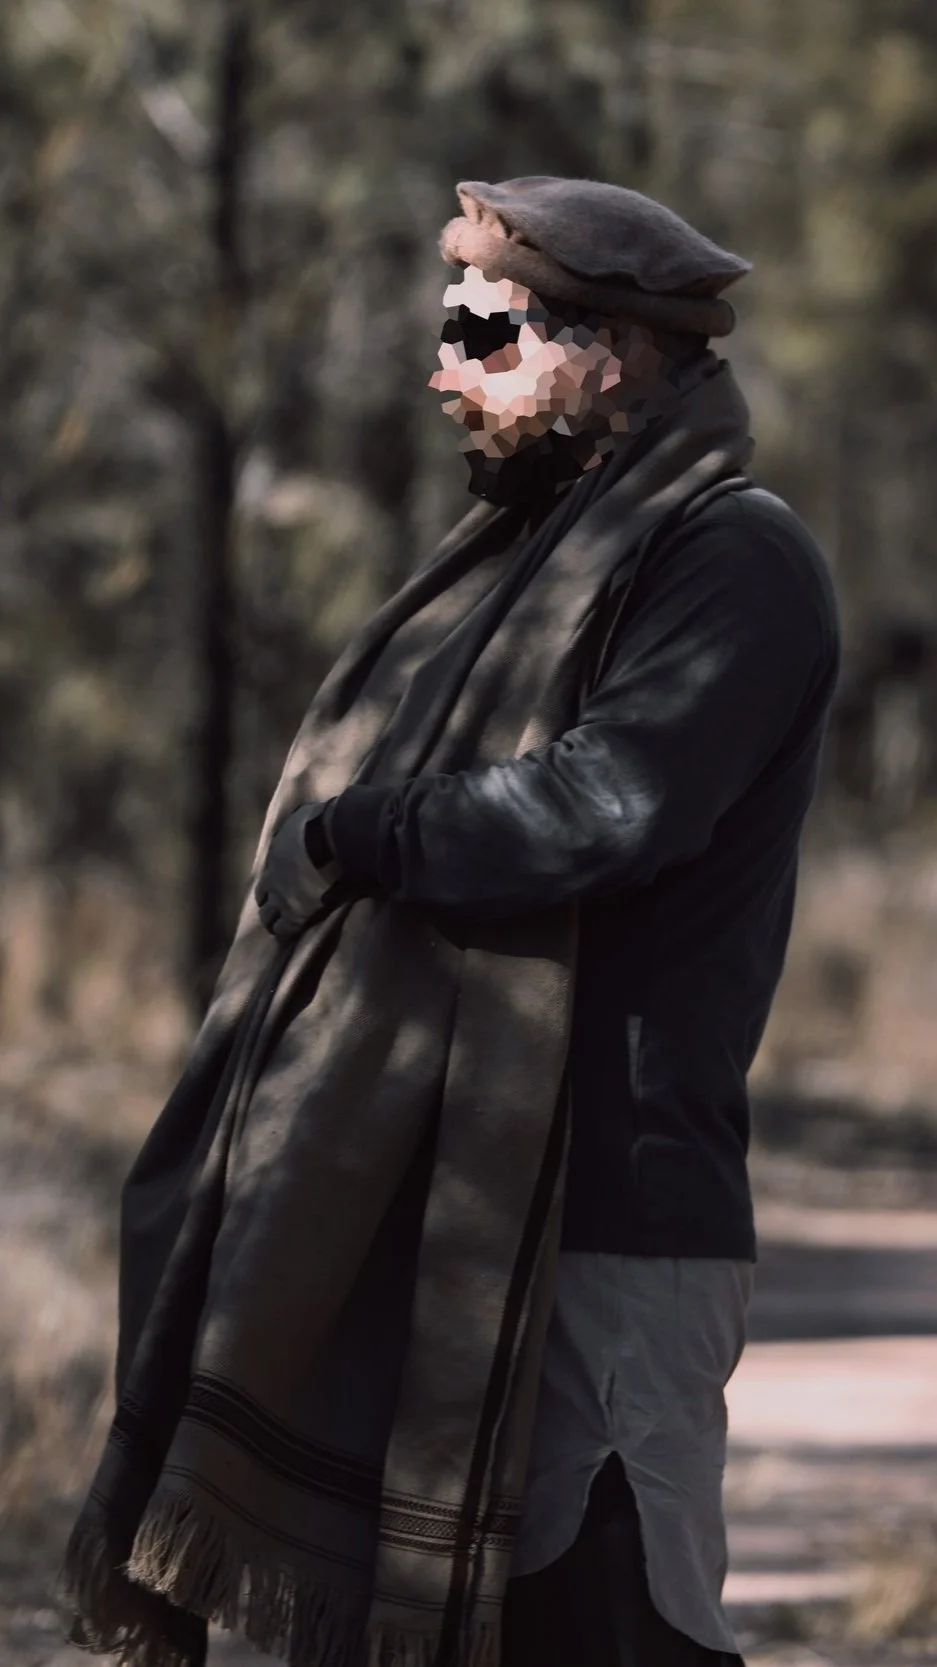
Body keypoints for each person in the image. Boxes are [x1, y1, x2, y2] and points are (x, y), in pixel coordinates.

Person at [63, 177, 841, 1667]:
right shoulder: (529, 558)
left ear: (612, 351)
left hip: (606, 1216)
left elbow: (608, 804)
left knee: (612, 1628)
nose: (447, 369)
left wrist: (362, 832)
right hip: (451, 1210)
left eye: (486, 333)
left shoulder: (730, 557)